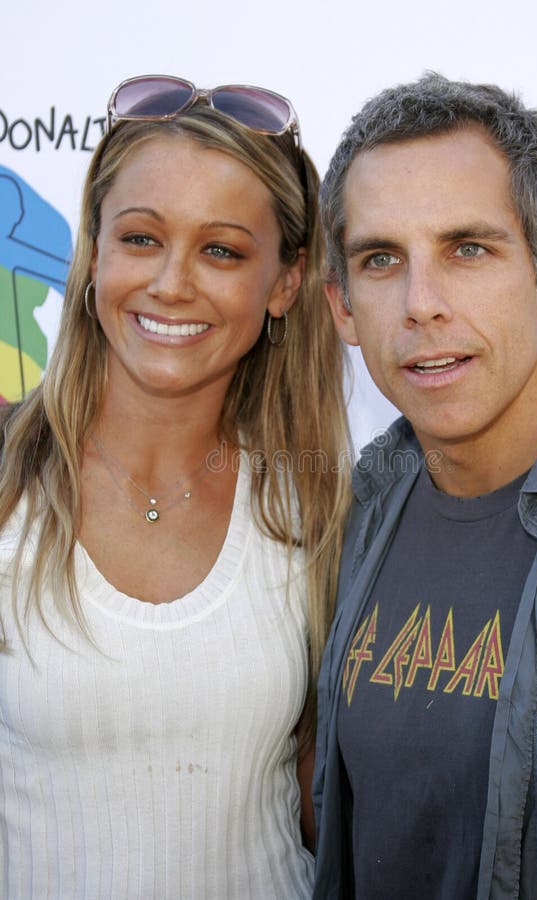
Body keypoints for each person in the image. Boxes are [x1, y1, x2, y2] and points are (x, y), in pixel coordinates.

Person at [0, 75, 350, 899]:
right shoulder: (9, 484)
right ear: (95, 251)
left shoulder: (316, 507)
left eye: (222, 250)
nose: (171, 284)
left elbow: (320, 803)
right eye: (141, 239)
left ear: (285, 284)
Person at [312, 72, 537, 899]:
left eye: (468, 248)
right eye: (381, 258)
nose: (420, 303)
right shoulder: (357, 506)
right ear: (342, 309)